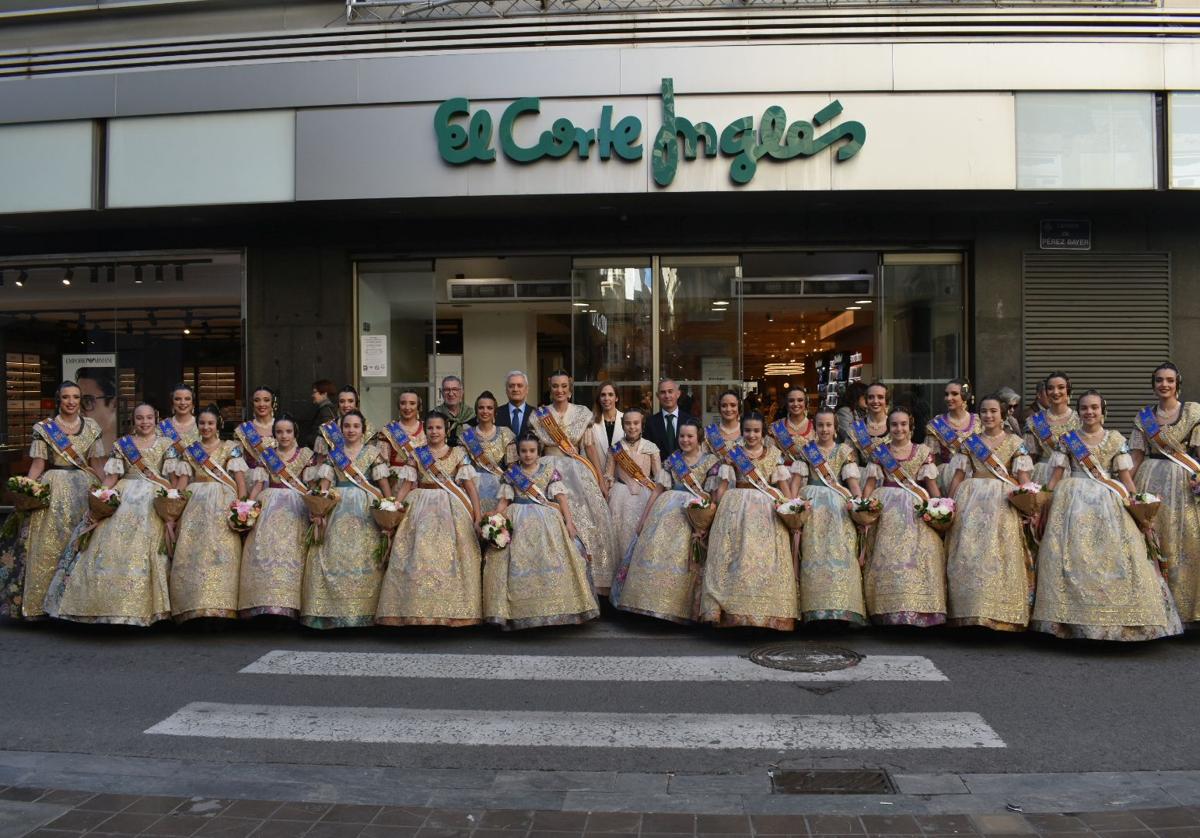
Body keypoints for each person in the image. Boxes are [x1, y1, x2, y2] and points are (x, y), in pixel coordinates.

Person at [1031, 390, 1182, 641]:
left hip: (1109, 502)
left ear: (1103, 411)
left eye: (1094, 408)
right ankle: (1067, 621)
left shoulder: (1115, 439)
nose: (1089, 412)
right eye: (1084, 408)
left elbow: (1125, 480)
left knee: (1117, 558)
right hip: (1071, 502)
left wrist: (1139, 506)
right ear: (1078, 412)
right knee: (1070, 559)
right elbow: (1055, 477)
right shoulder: (1067, 439)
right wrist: (1041, 504)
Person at [44, 403, 166, 625]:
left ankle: (142, 609)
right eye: (140, 418)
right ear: (133, 420)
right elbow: (111, 478)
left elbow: (173, 479)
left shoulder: (167, 445)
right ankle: (103, 606)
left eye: (149, 418)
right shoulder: (122, 445)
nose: (145, 422)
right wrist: (101, 496)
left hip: (152, 500)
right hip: (124, 495)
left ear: (156, 419)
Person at [3, 381, 105, 620]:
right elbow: (38, 465)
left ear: (81, 400)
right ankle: (40, 606)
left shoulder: (91, 427)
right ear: (58, 400)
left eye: (76, 397)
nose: (71, 402)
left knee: (80, 544)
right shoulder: (45, 428)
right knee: (48, 546)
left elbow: (97, 465)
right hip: (54, 487)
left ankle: (74, 606)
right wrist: (27, 489)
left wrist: (105, 495)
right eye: (66, 397)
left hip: (83, 487)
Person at [482, 433, 599, 630]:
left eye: (532, 451)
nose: (528, 455)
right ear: (518, 452)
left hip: (547, 521)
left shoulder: (549, 471)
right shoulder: (512, 474)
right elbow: (504, 502)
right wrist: (494, 521)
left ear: (539, 452)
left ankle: (554, 609)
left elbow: (561, 499)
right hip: (517, 519)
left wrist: (569, 522)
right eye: (524, 451)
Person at [612, 419, 724, 624]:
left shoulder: (711, 462)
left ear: (698, 438)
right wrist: (645, 518)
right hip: (666, 510)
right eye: (682, 436)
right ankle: (650, 604)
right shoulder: (673, 460)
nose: (685, 440)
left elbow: (713, 494)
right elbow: (657, 490)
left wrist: (707, 520)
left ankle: (681, 608)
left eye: (690, 436)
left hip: (695, 514)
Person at [377, 412, 483, 627]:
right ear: (425, 431)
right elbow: (406, 487)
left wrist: (478, 515)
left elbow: (470, 488)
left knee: (452, 558)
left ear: (446, 431)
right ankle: (415, 610)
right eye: (430, 428)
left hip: (452, 509)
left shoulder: (458, 454)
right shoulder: (417, 454)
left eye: (438, 428)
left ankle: (452, 612)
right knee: (417, 554)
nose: (434, 432)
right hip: (420, 507)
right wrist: (393, 510)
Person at [944, 394, 1034, 631]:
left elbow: (1023, 478)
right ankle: (970, 612)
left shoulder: (1016, 442)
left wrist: (1029, 504)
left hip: (1003, 502)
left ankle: (1002, 613)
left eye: (993, 411)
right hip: (971, 501)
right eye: (984, 411)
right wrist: (949, 505)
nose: (988, 415)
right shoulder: (969, 442)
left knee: (1001, 553)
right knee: (970, 553)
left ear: (1003, 414)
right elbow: (958, 477)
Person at [700, 412, 797, 630]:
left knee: (764, 560)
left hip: (767, 513)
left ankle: (767, 613)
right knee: (736, 557)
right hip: (736, 510)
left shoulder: (774, 455)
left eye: (756, 431)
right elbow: (723, 487)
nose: (751, 435)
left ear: (763, 433)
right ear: (742, 432)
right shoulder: (733, 455)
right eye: (747, 431)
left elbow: (784, 488)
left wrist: (792, 507)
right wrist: (713, 507)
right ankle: (734, 613)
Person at [529, 370, 617, 593]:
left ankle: (591, 584)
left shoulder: (582, 413)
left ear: (570, 389)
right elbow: (534, 451)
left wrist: (599, 477)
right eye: (555, 386)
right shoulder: (539, 415)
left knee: (589, 521)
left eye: (564, 386)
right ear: (550, 388)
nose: (560, 390)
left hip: (577, 469)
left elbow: (589, 448)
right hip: (547, 470)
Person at [302, 410, 390, 629]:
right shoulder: (334, 455)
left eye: (355, 426)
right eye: (347, 426)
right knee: (333, 555)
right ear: (341, 430)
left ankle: (364, 612)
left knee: (365, 557)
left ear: (363, 429)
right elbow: (324, 486)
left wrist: (389, 510)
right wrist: (319, 511)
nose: (351, 430)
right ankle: (331, 613)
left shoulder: (372, 453)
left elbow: (385, 487)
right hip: (337, 505)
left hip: (365, 509)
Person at [1129, 362, 1200, 626]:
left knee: (1187, 543)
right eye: (1159, 380)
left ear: (1177, 383)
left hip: (1184, 484)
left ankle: (1186, 611)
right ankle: (1157, 609)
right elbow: (1135, 456)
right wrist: (1124, 489)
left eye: (1169, 380)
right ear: (1154, 384)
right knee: (1153, 542)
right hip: (1150, 482)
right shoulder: (1144, 417)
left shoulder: (1193, 412)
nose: (1164, 385)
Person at [861, 407, 946, 626]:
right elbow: (870, 484)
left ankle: (919, 610)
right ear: (888, 428)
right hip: (886, 508)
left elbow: (931, 485)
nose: (899, 429)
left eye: (903, 424)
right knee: (886, 555)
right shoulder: (880, 452)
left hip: (916, 508)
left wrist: (941, 507)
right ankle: (887, 610)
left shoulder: (923, 451)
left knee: (919, 556)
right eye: (894, 425)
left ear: (911, 427)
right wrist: (862, 509)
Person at [168, 404, 249, 623]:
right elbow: (183, 483)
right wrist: (173, 508)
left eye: (210, 423)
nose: (206, 427)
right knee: (194, 555)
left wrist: (242, 508)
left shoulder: (231, 448)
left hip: (223, 503)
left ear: (218, 425)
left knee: (223, 555)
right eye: (202, 423)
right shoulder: (190, 449)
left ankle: (222, 608)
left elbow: (241, 483)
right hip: (195, 506)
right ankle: (194, 608)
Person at [794, 408, 865, 625]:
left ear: (835, 428)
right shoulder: (806, 451)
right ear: (814, 428)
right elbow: (796, 483)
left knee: (841, 552)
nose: (824, 429)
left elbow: (853, 485)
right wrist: (792, 506)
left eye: (829, 425)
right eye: (820, 425)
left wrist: (860, 505)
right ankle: (814, 609)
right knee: (813, 554)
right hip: (812, 507)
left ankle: (842, 607)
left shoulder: (845, 452)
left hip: (838, 509)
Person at [239, 414, 314, 620]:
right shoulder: (267, 455)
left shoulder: (306, 455)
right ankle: (265, 605)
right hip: (268, 507)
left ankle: (290, 607)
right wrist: (247, 507)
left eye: (288, 431)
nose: (284, 436)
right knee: (264, 554)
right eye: (279, 432)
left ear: (295, 433)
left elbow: (310, 486)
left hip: (295, 508)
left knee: (292, 555)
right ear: (274, 435)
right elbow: (258, 485)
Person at [604, 407, 663, 567]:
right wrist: (608, 486)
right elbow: (608, 474)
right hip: (619, 496)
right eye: (628, 423)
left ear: (642, 425)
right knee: (620, 536)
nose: (632, 427)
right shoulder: (615, 448)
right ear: (623, 426)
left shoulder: (651, 447)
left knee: (642, 534)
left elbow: (658, 477)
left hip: (645, 496)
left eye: (636, 423)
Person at [462, 391, 515, 517]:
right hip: (473, 488)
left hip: (500, 488)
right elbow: (463, 467)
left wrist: (506, 490)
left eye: (489, 408)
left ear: (495, 412)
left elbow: (512, 466)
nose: (485, 411)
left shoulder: (506, 434)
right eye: (481, 407)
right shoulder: (466, 436)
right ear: (476, 411)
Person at [1024, 371, 1080, 485]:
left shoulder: (1080, 420)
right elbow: (1028, 456)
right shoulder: (1035, 421)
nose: (1055, 392)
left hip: (1073, 476)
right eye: (1050, 388)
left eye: (1061, 388)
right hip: (1043, 474)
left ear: (1068, 390)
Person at [925, 378, 979, 495]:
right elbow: (929, 460)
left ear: (965, 396)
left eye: (954, 394)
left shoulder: (978, 422)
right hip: (946, 477)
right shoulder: (937, 424)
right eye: (946, 394)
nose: (948, 398)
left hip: (974, 477)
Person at [377, 388, 427, 496]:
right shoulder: (388, 431)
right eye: (403, 403)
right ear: (398, 406)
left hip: (421, 484)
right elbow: (381, 465)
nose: (407, 407)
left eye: (412, 403)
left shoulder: (427, 429)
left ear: (419, 406)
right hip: (396, 485)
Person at [313, 385, 373, 460]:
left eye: (350, 401)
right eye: (342, 401)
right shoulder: (327, 429)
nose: (346, 405)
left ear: (356, 404)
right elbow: (320, 462)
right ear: (338, 404)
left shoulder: (368, 428)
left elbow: (371, 458)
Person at [646, 378, 698, 458]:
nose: (667, 396)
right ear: (657, 396)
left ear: (678, 394)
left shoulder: (690, 420)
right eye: (663, 392)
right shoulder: (650, 423)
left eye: (670, 391)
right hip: (659, 469)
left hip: (687, 469)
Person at [76, 367, 118, 456]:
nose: (78, 410)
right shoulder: (75, 450)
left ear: (114, 403)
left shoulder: (131, 449)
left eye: (87, 401)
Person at [235, 386, 278, 471]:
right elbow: (237, 459)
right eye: (257, 400)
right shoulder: (244, 429)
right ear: (252, 403)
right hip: (252, 479)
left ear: (272, 403)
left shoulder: (283, 426)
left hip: (277, 479)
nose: (261, 404)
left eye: (266, 400)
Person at [589, 382, 624, 476]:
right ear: (599, 399)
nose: (606, 398)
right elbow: (586, 453)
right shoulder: (590, 423)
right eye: (603, 395)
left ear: (616, 398)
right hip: (597, 477)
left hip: (622, 480)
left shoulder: (627, 420)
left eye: (610, 395)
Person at [433, 375, 474, 446]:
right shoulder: (435, 415)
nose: (451, 393)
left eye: (455, 389)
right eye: (447, 390)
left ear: (461, 392)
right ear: (442, 393)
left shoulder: (471, 415)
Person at [706, 389, 743, 461]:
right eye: (724, 405)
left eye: (733, 405)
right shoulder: (709, 433)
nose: (728, 409)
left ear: (739, 407)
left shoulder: (748, 431)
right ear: (719, 409)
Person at [497, 370, 533, 440]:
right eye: (511, 386)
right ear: (506, 390)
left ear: (527, 390)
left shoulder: (535, 414)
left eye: (519, 386)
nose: (515, 389)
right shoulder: (496, 413)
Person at [309, 379, 338, 449]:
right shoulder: (325, 409)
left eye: (314, 392)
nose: (312, 395)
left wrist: (310, 440)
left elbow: (329, 434)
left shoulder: (326, 411)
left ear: (324, 393)